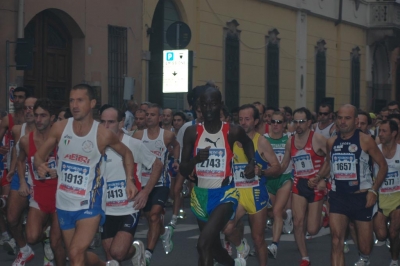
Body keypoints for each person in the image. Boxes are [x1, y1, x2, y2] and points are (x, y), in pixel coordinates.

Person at [34, 84, 136, 266]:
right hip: (64, 202)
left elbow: (127, 153)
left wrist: (129, 180)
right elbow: (39, 155)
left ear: (92, 103)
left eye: (80, 100)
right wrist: (40, 165)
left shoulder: (102, 134)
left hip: (90, 203)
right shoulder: (60, 128)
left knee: (75, 252)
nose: (74, 105)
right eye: (72, 100)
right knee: (74, 256)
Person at [180, 87, 256, 266]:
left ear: (220, 106)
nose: (208, 109)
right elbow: (183, 170)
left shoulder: (232, 131)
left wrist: (252, 162)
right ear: (199, 107)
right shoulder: (192, 133)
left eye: (213, 104)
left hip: (225, 194)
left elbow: (248, 143)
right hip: (200, 195)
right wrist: (196, 160)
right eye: (204, 105)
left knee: (202, 244)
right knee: (212, 247)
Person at [100, 106, 163, 265]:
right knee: (111, 259)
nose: (106, 126)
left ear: (121, 123)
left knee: (117, 253)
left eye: (111, 122)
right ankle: (134, 253)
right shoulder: (97, 144)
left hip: (129, 206)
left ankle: (136, 250)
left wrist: (145, 192)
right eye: (103, 122)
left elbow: (157, 165)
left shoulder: (133, 144)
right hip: (106, 208)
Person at [327, 104, 387, 266]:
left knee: (365, 247)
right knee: (336, 241)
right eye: (340, 118)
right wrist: (319, 178)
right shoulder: (331, 142)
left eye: (347, 118)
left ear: (355, 120)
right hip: (338, 196)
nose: (343, 122)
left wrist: (374, 191)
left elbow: (383, 165)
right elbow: (328, 165)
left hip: (361, 197)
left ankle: (365, 256)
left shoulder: (366, 140)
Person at [224, 104, 281, 266]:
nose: (243, 122)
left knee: (258, 238)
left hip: (256, 194)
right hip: (237, 193)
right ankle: (242, 246)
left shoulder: (261, 141)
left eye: (247, 119)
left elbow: (277, 167)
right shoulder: (232, 140)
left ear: (256, 121)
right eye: (240, 119)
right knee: (227, 228)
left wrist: (260, 171)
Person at [18, 98, 65, 266]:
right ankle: (45, 236)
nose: (38, 120)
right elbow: (20, 160)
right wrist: (23, 182)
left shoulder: (62, 139)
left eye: (43, 116)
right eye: (36, 115)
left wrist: (58, 172)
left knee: (57, 243)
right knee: (31, 236)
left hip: (60, 196)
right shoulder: (26, 140)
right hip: (39, 194)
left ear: (52, 118)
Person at [280, 107, 330, 266]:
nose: (298, 125)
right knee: (298, 222)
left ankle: (324, 211)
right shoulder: (290, 141)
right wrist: (267, 171)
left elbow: (331, 159)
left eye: (302, 121)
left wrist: (320, 177)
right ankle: (305, 257)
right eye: (296, 121)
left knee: (313, 229)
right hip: (299, 184)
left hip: (315, 185)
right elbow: (284, 165)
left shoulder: (319, 139)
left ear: (309, 123)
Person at [132, 103, 180, 265]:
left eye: (152, 115)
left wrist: (175, 160)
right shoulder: (138, 136)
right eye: (147, 115)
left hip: (161, 182)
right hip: (143, 183)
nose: (149, 117)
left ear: (159, 118)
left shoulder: (166, 136)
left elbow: (176, 145)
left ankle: (148, 254)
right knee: (149, 217)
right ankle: (163, 232)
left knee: (154, 215)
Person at [4, 97, 38, 264]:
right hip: (21, 176)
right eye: (26, 108)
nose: (29, 110)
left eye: (32, 107)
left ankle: (48, 247)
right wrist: (11, 170)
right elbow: (17, 152)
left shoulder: (50, 130)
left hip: (41, 180)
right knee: (11, 218)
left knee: (38, 229)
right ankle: (24, 250)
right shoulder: (18, 129)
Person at [264, 111, 294, 258]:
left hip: (284, 177)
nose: (276, 125)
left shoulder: (289, 138)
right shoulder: (264, 139)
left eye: (279, 122)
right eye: (273, 122)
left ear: (284, 125)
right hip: (268, 180)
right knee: (271, 211)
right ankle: (287, 216)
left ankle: (274, 245)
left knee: (276, 211)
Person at [170, 104, 203, 227]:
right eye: (199, 111)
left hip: (200, 163)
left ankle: (199, 213)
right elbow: (179, 145)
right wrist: (177, 161)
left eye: (202, 111)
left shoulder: (209, 127)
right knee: (176, 188)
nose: (201, 114)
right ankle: (174, 217)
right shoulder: (187, 127)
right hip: (186, 161)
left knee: (195, 191)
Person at [373, 120, 400, 266]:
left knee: (394, 231)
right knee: (381, 235)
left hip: (397, 196)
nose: (380, 134)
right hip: (380, 197)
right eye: (379, 131)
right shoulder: (374, 150)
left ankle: (394, 260)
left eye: (384, 131)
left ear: (394, 133)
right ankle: (388, 235)